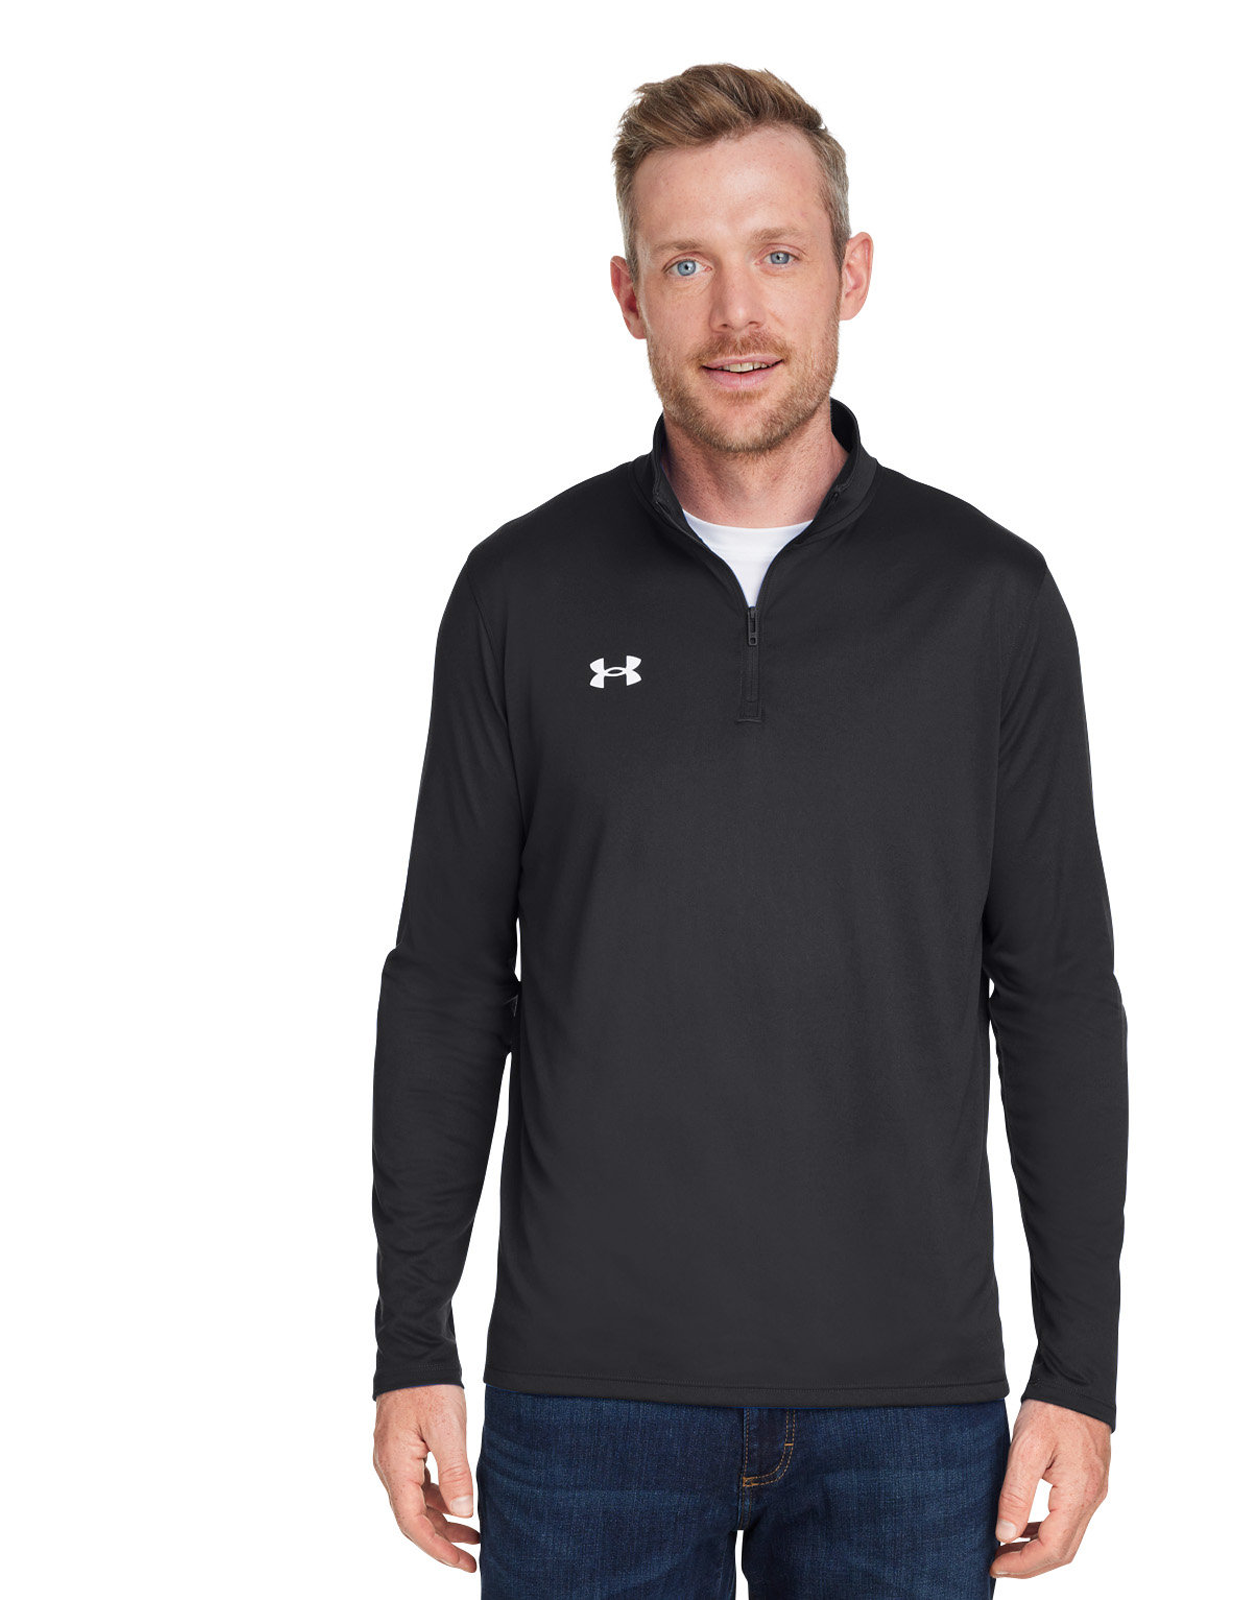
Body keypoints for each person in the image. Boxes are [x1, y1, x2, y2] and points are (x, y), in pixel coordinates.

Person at [369, 61, 1128, 1598]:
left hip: (908, 1410)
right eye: (685, 264)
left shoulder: (987, 601)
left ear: (853, 272)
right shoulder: (522, 594)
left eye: (778, 253)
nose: (735, 312)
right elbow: (447, 985)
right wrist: (410, 1340)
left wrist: (1081, 1369)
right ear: (626, 295)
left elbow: (1055, 995)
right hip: (585, 1399)